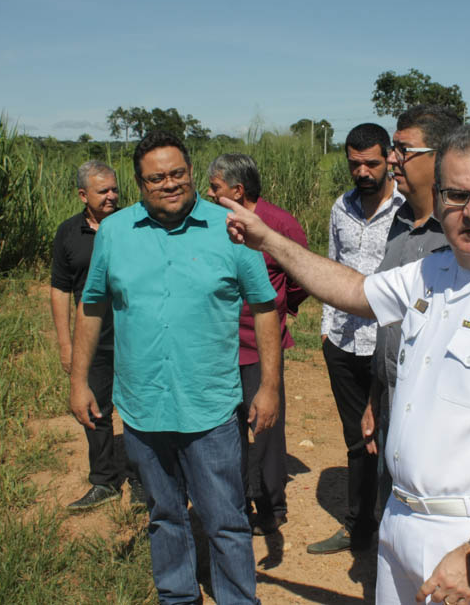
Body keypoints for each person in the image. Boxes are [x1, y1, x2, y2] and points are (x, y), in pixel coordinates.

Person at [222, 123, 470, 604]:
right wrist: (268, 240)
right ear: (438, 198)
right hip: (399, 518)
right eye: (458, 196)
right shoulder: (434, 269)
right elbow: (354, 291)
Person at [69, 131, 281, 604]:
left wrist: (269, 387)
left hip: (210, 404)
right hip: (143, 403)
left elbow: (265, 305)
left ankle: (237, 599)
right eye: (156, 178)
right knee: (164, 513)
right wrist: (79, 380)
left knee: (226, 517)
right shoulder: (115, 233)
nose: (170, 184)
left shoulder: (231, 227)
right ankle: (178, 596)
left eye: (178, 174)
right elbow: (92, 305)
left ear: (191, 173)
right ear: (139, 184)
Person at [310, 123, 404, 554]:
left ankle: (393, 530)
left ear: (389, 158)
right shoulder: (340, 208)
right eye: (354, 164)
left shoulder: (406, 212)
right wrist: (327, 328)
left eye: (371, 162)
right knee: (355, 437)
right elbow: (332, 265)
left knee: (392, 437)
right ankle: (357, 526)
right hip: (344, 342)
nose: (363, 171)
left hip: (390, 344)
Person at [206, 152, 309, 536]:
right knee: (225, 428)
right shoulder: (213, 224)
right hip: (218, 344)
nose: (210, 194)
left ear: (237, 190)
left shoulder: (278, 224)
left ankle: (270, 505)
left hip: (260, 344)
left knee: (264, 427)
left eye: (215, 188)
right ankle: (234, 500)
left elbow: (300, 273)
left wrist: (284, 307)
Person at [49, 160, 143, 511]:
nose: (112, 196)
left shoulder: (133, 225)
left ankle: (141, 481)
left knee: (137, 409)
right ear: (82, 195)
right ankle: (104, 481)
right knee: (94, 410)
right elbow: (59, 290)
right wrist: (65, 344)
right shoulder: (68, 233)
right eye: (103, 191)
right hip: (93, 340)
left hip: (133, 335)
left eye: (115, 189)